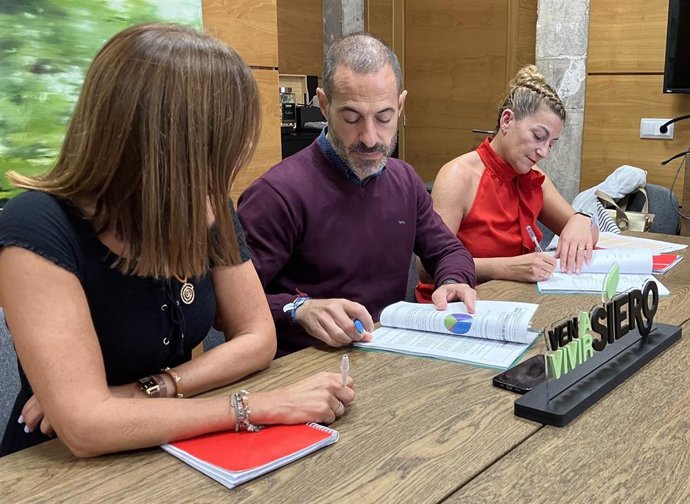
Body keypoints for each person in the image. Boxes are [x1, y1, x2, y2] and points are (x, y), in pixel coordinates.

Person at [0, 23, 354, 458]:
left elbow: (257, 336)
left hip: (176, 446)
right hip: (54, 469)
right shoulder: (36, 227)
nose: (239, 153)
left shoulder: (205, 204)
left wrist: (151, 389)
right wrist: (255, 406)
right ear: (174, 147)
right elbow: (86, 428)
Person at [237, 33, 477, 356]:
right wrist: (298, 309)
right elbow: (228, 308)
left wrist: (453, 281)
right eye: (351, 118)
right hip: (303, 371)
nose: (369, 138)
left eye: (384, 117)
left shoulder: (404, 180)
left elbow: (449, 251)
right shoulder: (278, 194)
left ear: (401, 105)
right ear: (324, 105)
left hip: (388, 356)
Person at [415, 65, 599, 300]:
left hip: (512, 300)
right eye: (538, 137)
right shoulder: (459, 176)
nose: (544, 152)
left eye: (551, 144)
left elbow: (589, 235)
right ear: (507, 120)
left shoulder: (532, 177)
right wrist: (509, 268)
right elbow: (426, 268)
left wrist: (580, 219)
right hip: (455, 306)